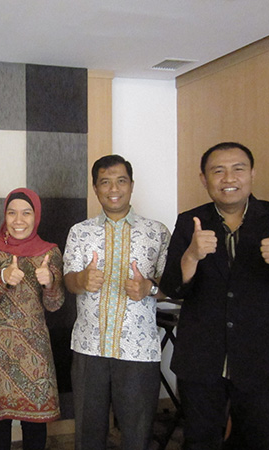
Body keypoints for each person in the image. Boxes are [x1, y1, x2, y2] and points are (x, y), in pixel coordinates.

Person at [160, 142, 269, 449]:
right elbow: (172, 288)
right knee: (200, 441)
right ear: (204, 179)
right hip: (201, 360)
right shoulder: (190, 221)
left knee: (266, 441)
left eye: (238, 169)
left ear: (252, 173)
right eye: (218, 171)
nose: (229, 178)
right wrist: (191, 256)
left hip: (264, 361)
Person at [63, 155, 170, 449]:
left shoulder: (157, 232)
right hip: (89, 347)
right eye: (105, 182)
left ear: (131, 185)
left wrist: (149, 287)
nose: (114, 189)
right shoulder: (80, 232)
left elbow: (172, 286)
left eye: (121, 181)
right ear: (95, 188)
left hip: (138, 350)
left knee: (137, 435)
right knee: (88, 435)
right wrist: (82, 279)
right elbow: (69, 282)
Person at [0, 187, 65, 450]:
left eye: (26, 213)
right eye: (12, 213)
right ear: (4, 215)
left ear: (36, 216)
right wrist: (3, 279)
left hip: (35, 347)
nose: (18, 220)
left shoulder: (49, 252)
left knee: (35, 422)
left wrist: (50, 283)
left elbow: (55, 305)